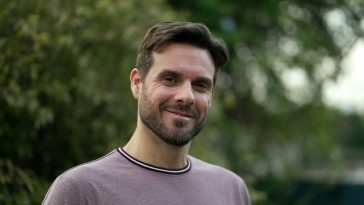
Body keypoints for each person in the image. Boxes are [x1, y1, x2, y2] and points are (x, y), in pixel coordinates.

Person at [43, 21, 252, 205]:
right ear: (137, 83)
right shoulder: (80, 190)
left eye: (200, 85)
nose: (187, 96)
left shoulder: (232, 190)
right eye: (170, 79)